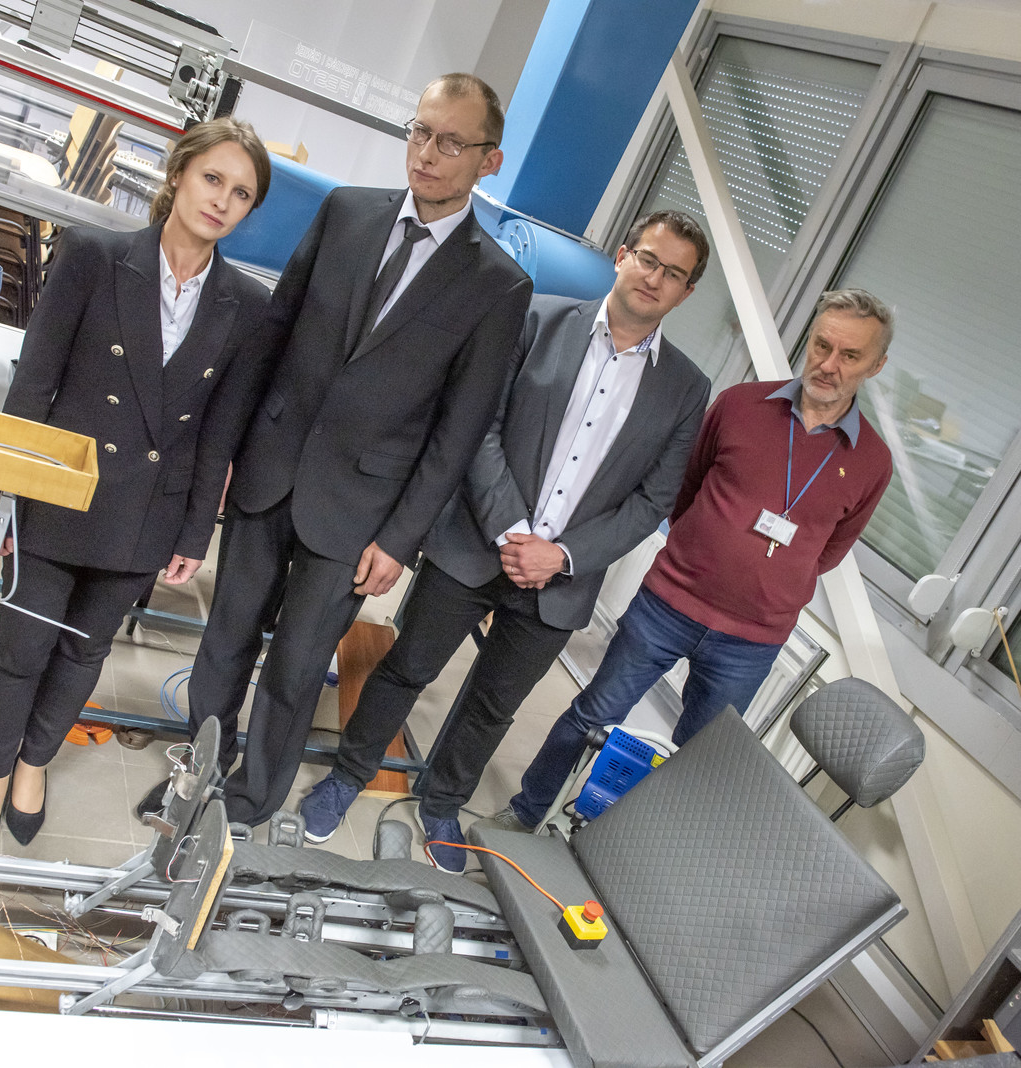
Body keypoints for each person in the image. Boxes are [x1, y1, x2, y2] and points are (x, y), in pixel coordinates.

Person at [166, 73, 533, 829]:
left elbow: (458, 433)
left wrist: (400, 539)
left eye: (451, 143)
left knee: (298, 665)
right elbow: (273, 335)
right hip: (269, 471)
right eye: (420, 131)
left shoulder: (499, 286)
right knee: (225, 639)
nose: (426, 153)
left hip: (360, 513)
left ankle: (247, 807)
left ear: (488, 161)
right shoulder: (346, 211)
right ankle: (196, 780)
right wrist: (231, 451)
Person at [296, 210, 713, 871]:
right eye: (648, 259)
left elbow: (653, 500)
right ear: (622, 255)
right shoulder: (537, 318)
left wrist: (562, 556)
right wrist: (514, 531)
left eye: (674, 273)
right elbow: (479, 426)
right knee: (409, 667)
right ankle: (349, 775)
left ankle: (442, 803)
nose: (654, 278)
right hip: (475, 542)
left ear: (687, 292)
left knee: (494, 705)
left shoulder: (688, 388)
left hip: (561, 580)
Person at [0, 118, 274, 852]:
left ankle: (34, 763)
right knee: (22, 646)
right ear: (177, 173)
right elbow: (34, 383)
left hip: (148, 513)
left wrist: (194, 531)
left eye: (241, 193)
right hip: (56, 492)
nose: (222, 200)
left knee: (83, 653)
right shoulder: (94, 256)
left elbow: (219, 433)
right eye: (212, 178)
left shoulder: (247, 304)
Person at [491, 288, 897, 832]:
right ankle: (525, 815)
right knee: (593, 715)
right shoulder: (740, 405)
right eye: (822, 345)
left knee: (695, 761)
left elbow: (829, 550)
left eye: (850, 355)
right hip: (668, 605)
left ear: (875, 365)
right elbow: (682, 492)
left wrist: (768, 579)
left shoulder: (872, 461)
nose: (829, 364)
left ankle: (630, 848)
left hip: (752, 641)